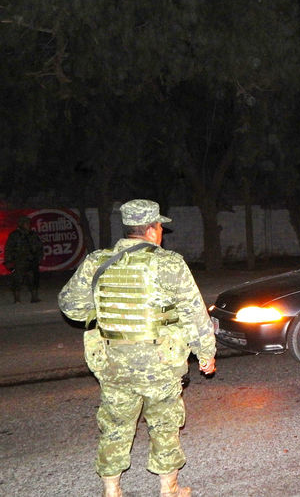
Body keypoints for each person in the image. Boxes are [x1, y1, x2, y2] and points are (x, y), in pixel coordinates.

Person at [58, 199, 216, 497]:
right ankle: (169, 490)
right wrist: (205, 354)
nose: (161, 233)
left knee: (115, 425)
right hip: (161, 364)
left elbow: (70, 307)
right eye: (160, 227)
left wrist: (106, 311)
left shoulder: (97, 261)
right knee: (165, 424)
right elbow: (195, 315)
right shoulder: (169, 263)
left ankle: (111, 490)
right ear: (152, 229)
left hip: (114, 364)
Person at [4, 216, 44, 303]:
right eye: (26, 223)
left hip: (32, 260)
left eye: (29, 223)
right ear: (21, 224)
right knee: (17, 279)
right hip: (19, 260)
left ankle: (34, 297)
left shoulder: (32, 234)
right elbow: (9, 248)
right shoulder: (15, 235)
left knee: (33, 279)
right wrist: (8, 261)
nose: (28, 225)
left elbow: (39, 246)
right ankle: (17, 299)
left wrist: (39, 257)